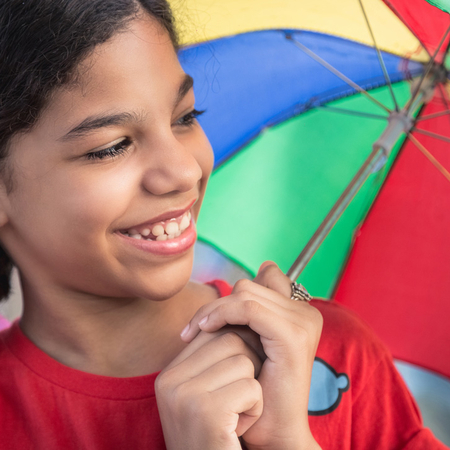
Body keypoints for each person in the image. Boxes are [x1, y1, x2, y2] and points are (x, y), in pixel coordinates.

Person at [0, 1, 447, 449]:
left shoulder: (332, 357)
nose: (184, 172)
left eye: (186, 117)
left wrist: (287, 442)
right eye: (112, 146)